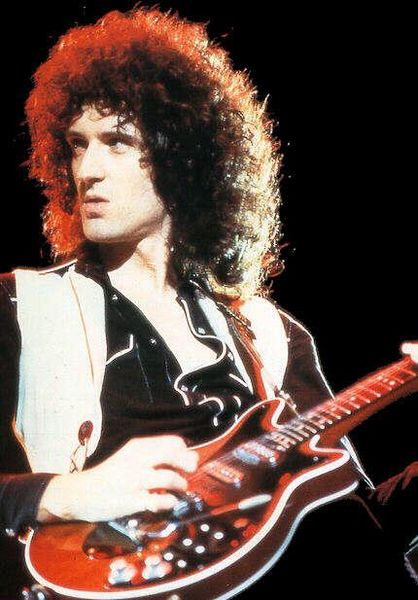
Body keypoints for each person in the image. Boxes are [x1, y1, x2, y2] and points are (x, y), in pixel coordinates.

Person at [0, 4, 417, 598]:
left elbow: (357, 519)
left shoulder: (270, 334)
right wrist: (59, 494)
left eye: (117, 142)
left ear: (184, 158)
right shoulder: (22, 309)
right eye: (76, 145)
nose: (87, 169)